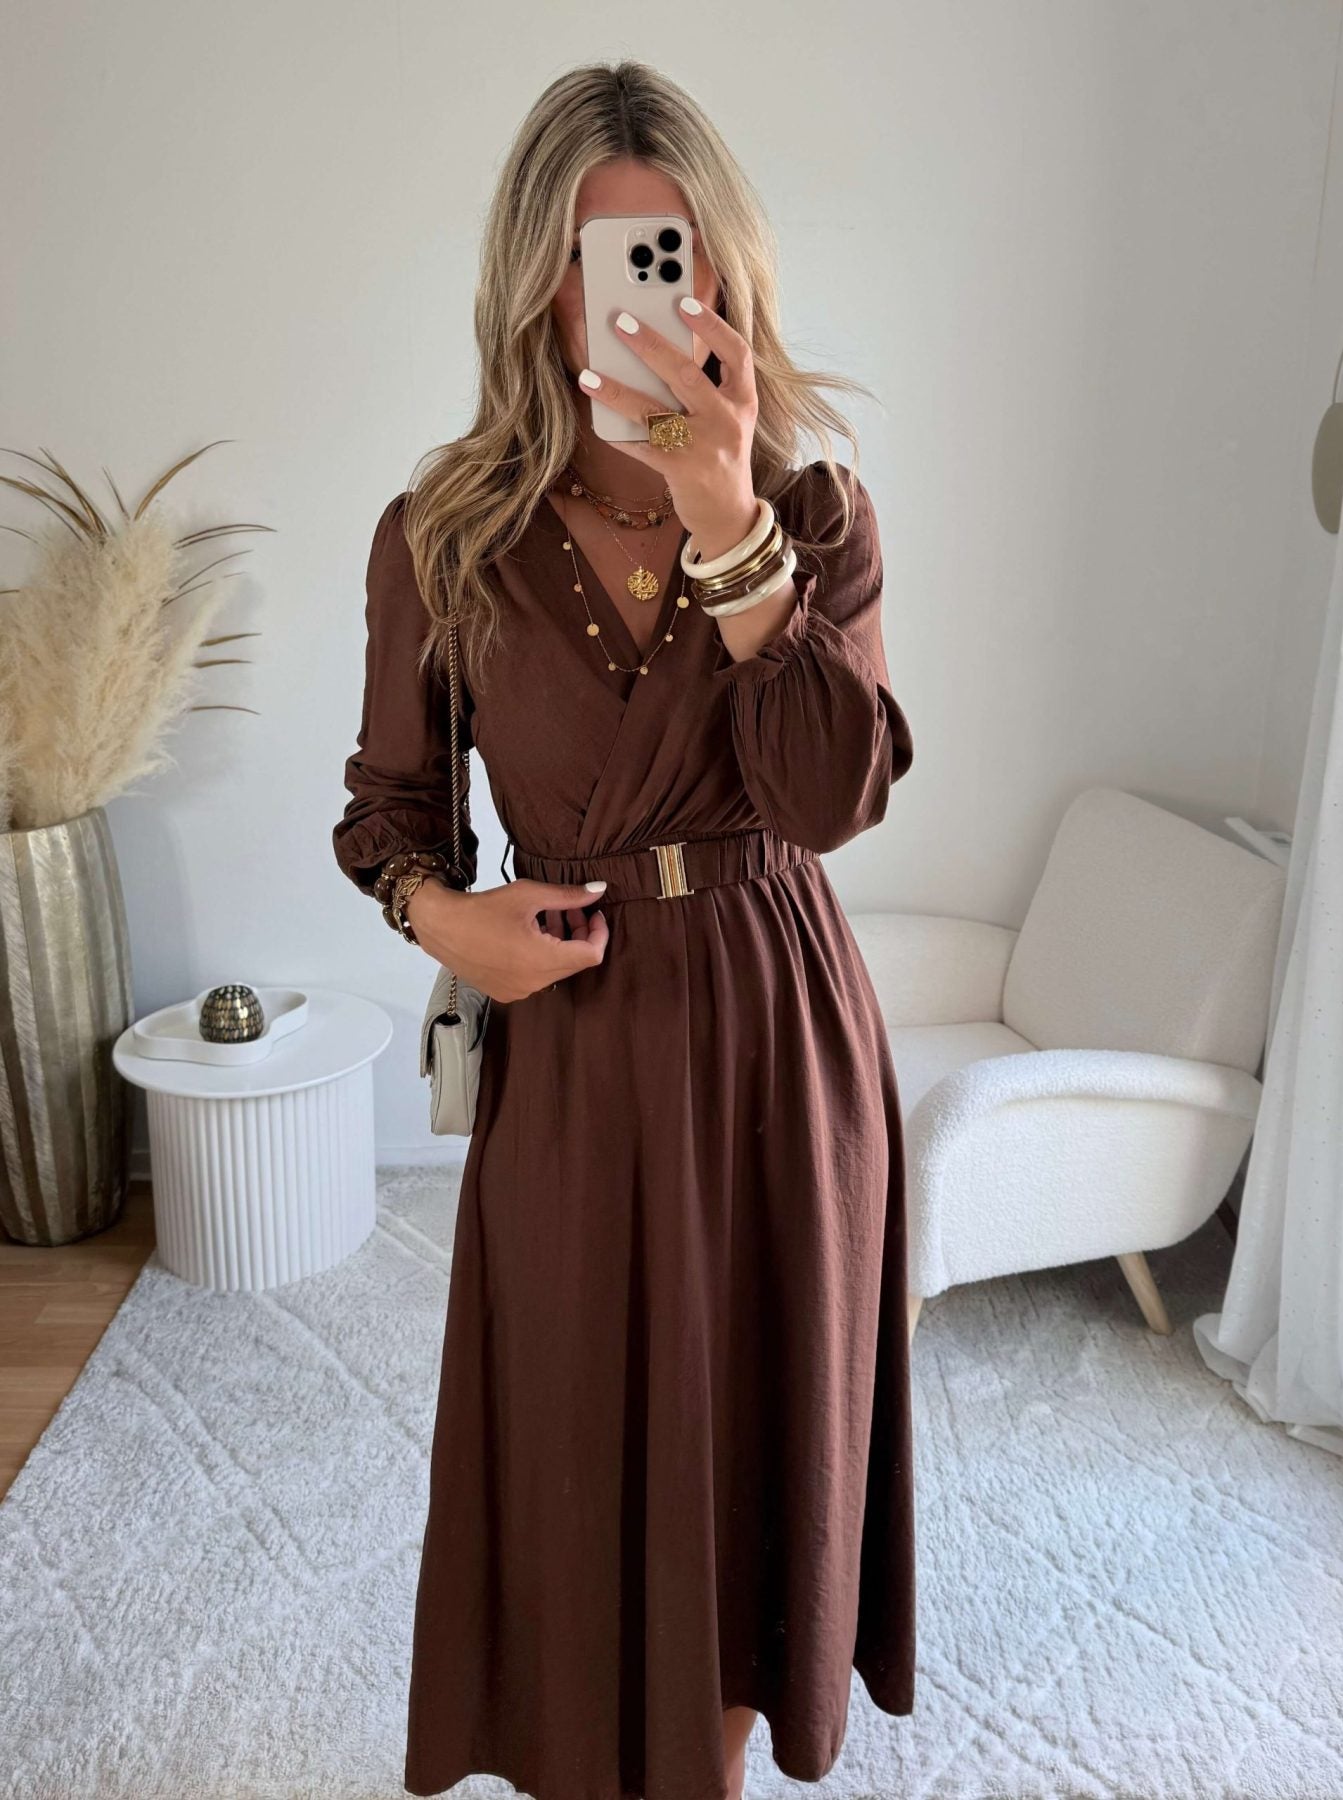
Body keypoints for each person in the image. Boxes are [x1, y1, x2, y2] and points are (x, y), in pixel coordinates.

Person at [332, 58, 916, 1800]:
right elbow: (388, 809)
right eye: (606, 256)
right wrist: (445, 922)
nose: (648, 293)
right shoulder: (444, 537)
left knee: (753, 1452)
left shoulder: (815, 517)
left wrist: (731, 523)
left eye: (677, 252)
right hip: (576, 1047)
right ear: (539, 280)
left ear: (726, 269)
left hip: (777, 1029)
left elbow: (831, 796)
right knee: (578, 1449)